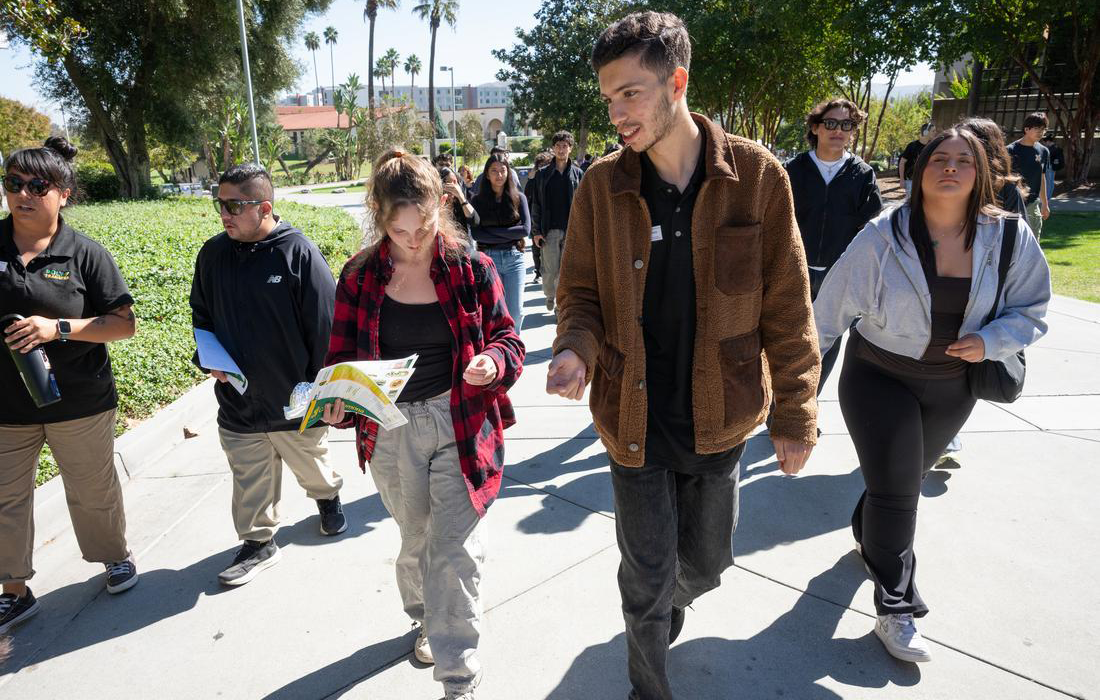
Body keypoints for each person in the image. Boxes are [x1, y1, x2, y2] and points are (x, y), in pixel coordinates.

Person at [547, 12, 820, 699]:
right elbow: (577, 292)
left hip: (720, 418)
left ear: (677, 82)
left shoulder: (757, 177)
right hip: (632, 419)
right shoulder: (600, 186)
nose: (615, 113)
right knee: (643, 578)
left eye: (630, 94)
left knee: (706, 564)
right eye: (608, 98)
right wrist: (576, 350)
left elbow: (788, 306)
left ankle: (669, 601)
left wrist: (796, 413)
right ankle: (648, 682)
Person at [814, 127, 1051, 664]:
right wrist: (797, 391)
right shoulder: (883, 235)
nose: (950, 167)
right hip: (878, 376)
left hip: (953, 387)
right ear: (918, 172)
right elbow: (826, 315)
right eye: (938, 158)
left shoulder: (1009, 237)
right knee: (900, 494)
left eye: (963, 160)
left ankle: (865, 531)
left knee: (896, 482)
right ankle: (896, 608)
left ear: (981, 172)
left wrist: (991, 340)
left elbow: (1032, 309)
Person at [322, 149, 524, 700]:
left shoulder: (471, 269)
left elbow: (510, 339)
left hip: (460, 420)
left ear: (442, 206)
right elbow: (340, 361)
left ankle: (459, 677)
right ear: (380, 218)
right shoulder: (360, 277)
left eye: (424, 225)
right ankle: (424, 618)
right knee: (417, 542)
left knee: (455, 547)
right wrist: (339, 402)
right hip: (390, 430)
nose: (413, 240)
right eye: (399, 229)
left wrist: (494, 362)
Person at [1, 137, 139, 636]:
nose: (23, 193)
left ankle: (114, 557)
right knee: (4, 499)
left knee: (91, 490)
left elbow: (122, 324)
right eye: (13, 183)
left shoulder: (84, 254)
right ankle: (13, 590)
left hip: (80, 400)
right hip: (6, 407)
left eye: (37, 185)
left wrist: (55, 328)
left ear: (64, 193)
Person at [190, 163, 345, 587]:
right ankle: (258, 542)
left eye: (234, 205)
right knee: (249, 476)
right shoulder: (213, 254)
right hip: (239, 402)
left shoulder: (298, 253)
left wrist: (326, 393)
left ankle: (328, 497)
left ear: (264, 207)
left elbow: (325, 330)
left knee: (313, 467)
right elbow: (201, 316)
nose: (224, 213)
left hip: (293, 399)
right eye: (220, 204)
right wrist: (209, 360)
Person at [785, 97, 883, 390]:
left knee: (824, 345)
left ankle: (808, 405)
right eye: (830, 123)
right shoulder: (793, 170)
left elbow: (871, 229)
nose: (838, 130)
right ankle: (784, 405)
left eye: (847, 124)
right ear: (815, 127)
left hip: (838, 277)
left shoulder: (863, 175)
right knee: (788, 341)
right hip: (793, 271)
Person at [470, 153, 531, 331]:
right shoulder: (478, 201)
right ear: (487, 174)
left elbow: (525, 230)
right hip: (489, 259)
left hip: (514, 259)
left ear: (508, 172)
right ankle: (498, 349)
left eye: (503, 170)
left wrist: (491, 233)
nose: (499, 175)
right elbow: (477, 234)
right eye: (494, 171)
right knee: (493, 311)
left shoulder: (519, 198)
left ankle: (514, 350)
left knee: (516, 311)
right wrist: (509, 233)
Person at [530, 131, 584, 312]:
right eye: (558, 146)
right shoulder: (543, 175)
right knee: (550, 270)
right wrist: (536, 231)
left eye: (565, 146)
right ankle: (550, 295)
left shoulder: (578, 173)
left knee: (565, 271)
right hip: (549, 229)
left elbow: (584, 205)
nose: (561, 149)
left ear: (570, 148)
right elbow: (536, 204)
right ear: (553, 148)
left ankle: (560, 305)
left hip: (571, 229)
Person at [1007, 112, 1051, 240]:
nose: (1041, 132)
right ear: (1026, 129)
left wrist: (1045, 204)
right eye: (1037, 128)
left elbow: (1042, 178)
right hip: (1013, 204)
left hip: (1033, 204)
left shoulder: (1044, 151)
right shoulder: (1010, 150)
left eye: (1043, 129)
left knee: (1033, 241)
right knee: (1013, 241)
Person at [524, 151, 553, 284]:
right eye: (540, 165)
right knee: (536, 247)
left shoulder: (555, 178)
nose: (543, 167)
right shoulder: (533, 180)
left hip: (552, 220)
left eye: (546, 164)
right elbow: (528, 198)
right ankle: (538, 272)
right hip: (536, 218)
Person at [439, 166, 479, 251]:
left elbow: (475, 221)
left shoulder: (462, 200)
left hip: (462, 248)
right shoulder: (437, 203)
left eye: (455, 182)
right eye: (448, 182)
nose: (453, 186)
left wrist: (461, 198)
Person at [899, 122, 935, 196]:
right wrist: (902, 179)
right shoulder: (912, 146)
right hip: (911, 181)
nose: (935, 133)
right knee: (911, 203)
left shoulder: (932, 147)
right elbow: (902, 162)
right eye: (933, 131)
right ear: (925, 132)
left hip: (927, 181)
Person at [1040, 134, 1064, 202]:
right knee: (1050, 182)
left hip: (1050, 167)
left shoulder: (1052, 149)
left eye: (1045, 142)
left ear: (1048, 141)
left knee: (1049, 182)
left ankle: (1048, 197)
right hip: (1052, 167)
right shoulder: (1055, 148)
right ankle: (1048, 197)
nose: (1044, 144)